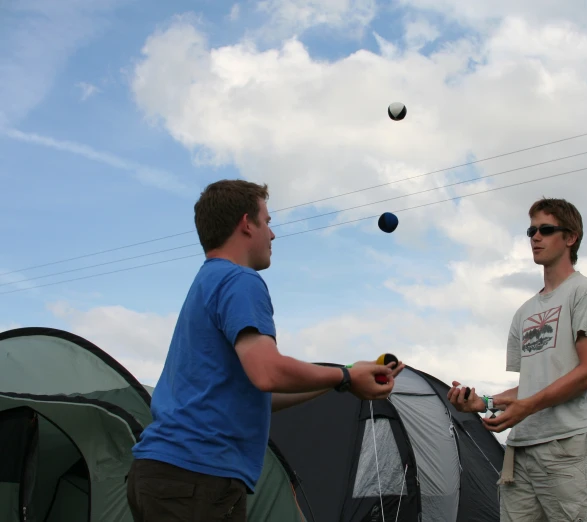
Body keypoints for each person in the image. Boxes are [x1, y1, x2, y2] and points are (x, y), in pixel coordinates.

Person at [126, 179, 404, 521]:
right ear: (246, 224)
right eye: (268, 222)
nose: (272, 235)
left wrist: (344, 380)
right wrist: (346, 375)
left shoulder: (207, 283)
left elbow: (261, 392)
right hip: (198, 477)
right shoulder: (239, 281)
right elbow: (267, 372)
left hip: (164, 475)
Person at [447, 197, 587, 522]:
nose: (535, 237)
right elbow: (534, 385)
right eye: (531, 230)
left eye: (546, 229)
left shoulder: (586, 294)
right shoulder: (525, 311)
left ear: (570, 237)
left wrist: (529, 406)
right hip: (522, 450)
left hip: (571, 445)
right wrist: (484, 402)